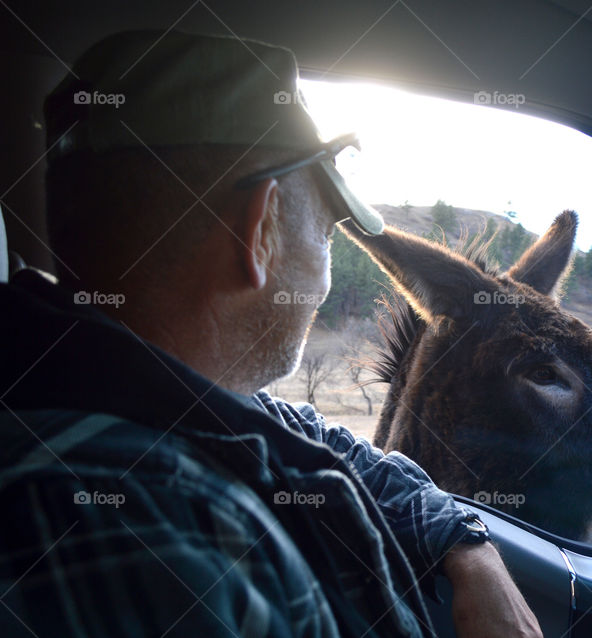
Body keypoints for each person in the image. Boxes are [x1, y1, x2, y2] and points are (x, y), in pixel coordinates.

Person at [0, 30, 541, 638]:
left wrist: (468, 546)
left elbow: (337, 450)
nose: (325, 271)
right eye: (328, 234)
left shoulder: (175, 397)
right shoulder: (148, 531)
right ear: (257, 233)